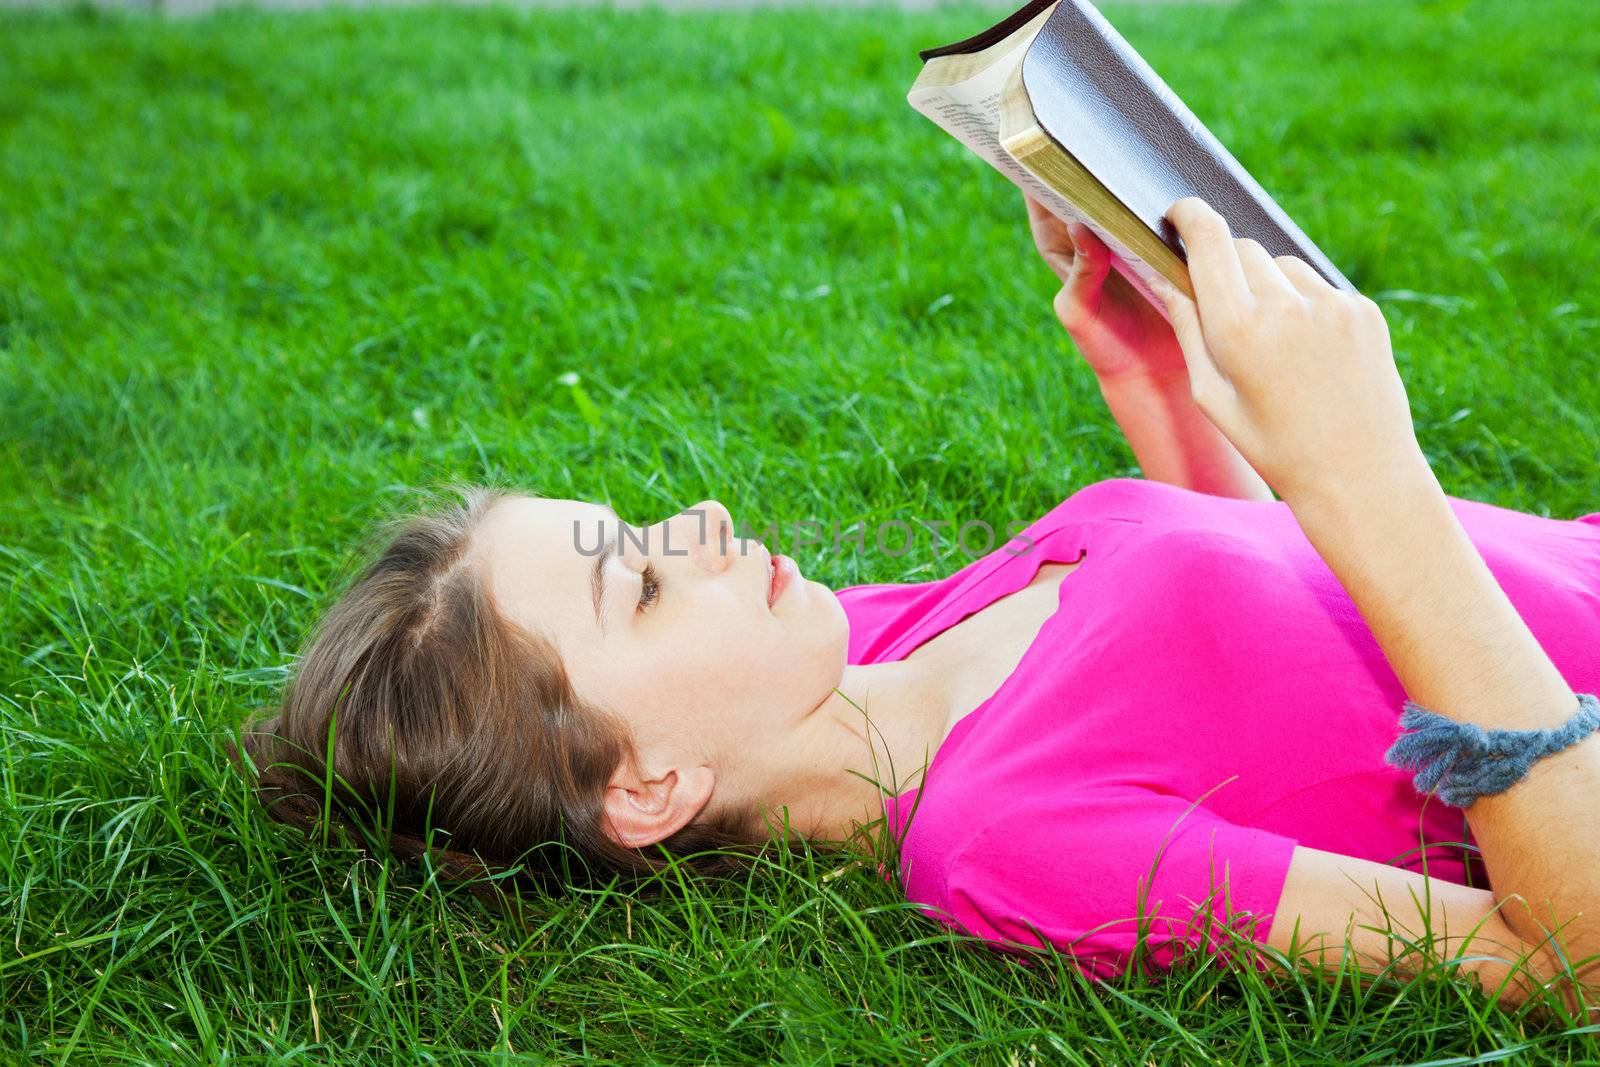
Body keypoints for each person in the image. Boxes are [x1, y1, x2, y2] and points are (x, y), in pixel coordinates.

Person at [237, 195, 1600, 1015]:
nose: (703, 523)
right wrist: (1373, 477)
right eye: (644, 586)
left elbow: (1275, 656)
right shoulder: (1006, 843)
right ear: (647, 785)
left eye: (639, 526)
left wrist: (1155, 384)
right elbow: (1559, 962)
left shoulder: (865, 638)